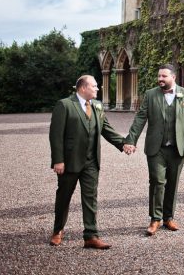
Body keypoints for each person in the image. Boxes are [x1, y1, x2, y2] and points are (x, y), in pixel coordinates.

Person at [48, 75, 132, 249]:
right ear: (83, 88)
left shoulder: (97, 106)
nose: (97, 89)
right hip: (69, 162)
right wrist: (58, 160)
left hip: (91, 161)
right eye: (94, 86)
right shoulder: (65, 105)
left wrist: (123, 144)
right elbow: (55, 135)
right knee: (64, 197)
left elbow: (106, 129)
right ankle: (58, 230)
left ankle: (91, 236)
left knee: (90, 198)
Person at [123, 64, 184, 236]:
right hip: (156, 147)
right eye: (159, 76)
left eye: (164, 76)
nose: (160, 79)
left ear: (173, 77)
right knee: (157, 181)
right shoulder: (150, 95)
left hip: (177, 148)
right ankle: (155, 219)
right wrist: (131, 140)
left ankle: (168, 218)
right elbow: (140, 118)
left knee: (172, 183)